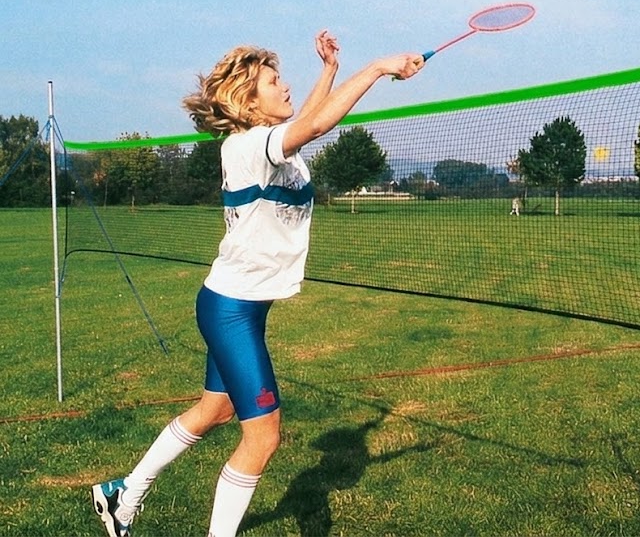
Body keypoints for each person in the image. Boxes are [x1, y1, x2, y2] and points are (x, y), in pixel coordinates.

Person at [90, 30, 424, 537]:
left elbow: (305, 121)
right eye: (274, 81)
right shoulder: (246, 147)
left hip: (238, 305)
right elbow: (311, 126)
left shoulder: (271, 145)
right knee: (263, 438)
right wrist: (377, 68)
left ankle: (123, 494)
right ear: (248, 103)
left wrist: (329, 71)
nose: (284, 86)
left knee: (213, 410)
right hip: (231, 311)